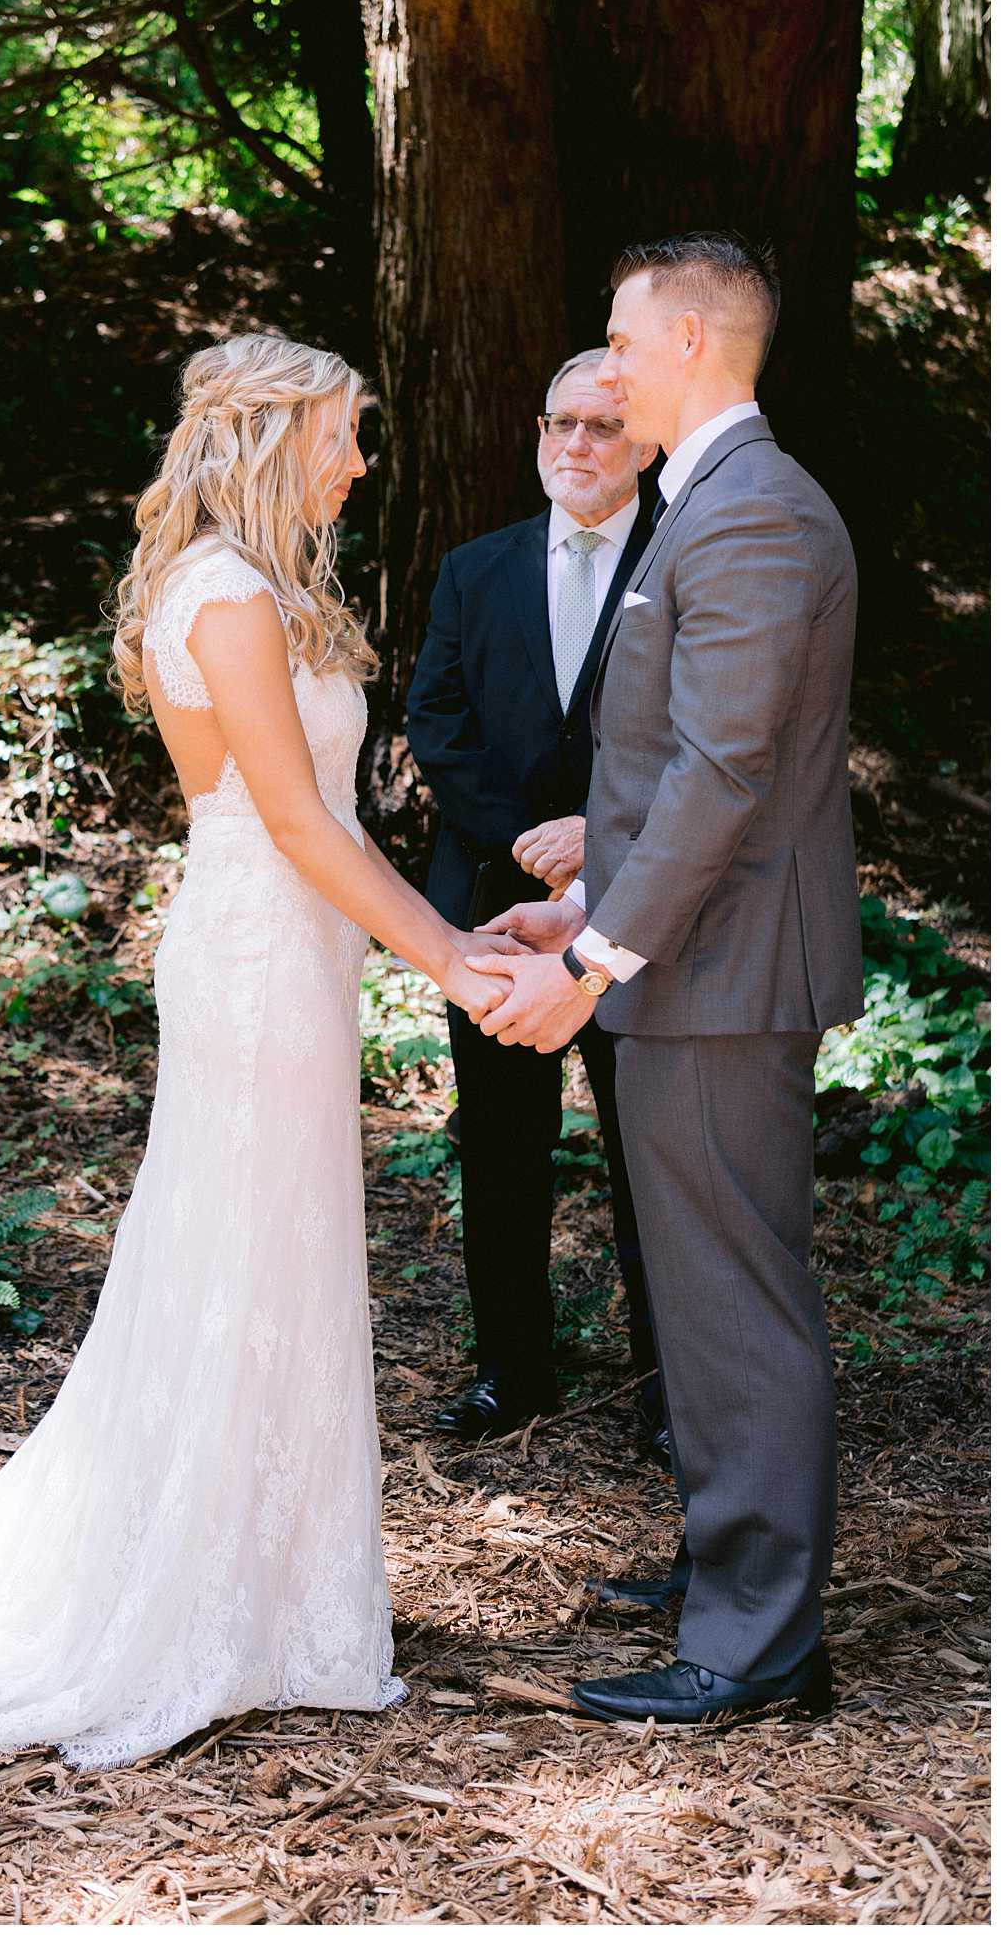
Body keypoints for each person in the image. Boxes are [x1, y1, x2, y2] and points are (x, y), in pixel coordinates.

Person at [0, 332, 509, 1769]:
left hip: (292, 947)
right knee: (239, 1252)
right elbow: (299, 825)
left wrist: (435, 940)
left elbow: (331, 834)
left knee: (281, 1255)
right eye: (344, 435)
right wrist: (451, 958)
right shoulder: (227, 595)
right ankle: (190, 1601)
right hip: (253, 950)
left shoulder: (268, 590)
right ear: (268, 436)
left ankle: (279, 1598)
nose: (361, 462)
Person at [467, 232, 861, 1724]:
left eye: (620, 343)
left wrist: (596, 958)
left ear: (692, 342)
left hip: (719, 977)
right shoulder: (713, 504)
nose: (605, 369)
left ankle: (757, 1646)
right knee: (702, 1299)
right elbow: (674, 777)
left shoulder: (753, 513)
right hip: (686, 961)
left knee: (737, 1301)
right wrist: (579, 892)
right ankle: (727, 1572)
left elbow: (727, 773)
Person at [407, 350, 668, 1459]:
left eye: (603, 426)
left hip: (643, 906)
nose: (576, 444)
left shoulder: (681, 560)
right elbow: (437, 721)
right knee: (502, 1146)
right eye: (559, 421)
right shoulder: (475, 569)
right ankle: (512, 1368)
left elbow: (706, 736)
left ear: (647, 441)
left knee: (648, 1148)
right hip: (494, 908)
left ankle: (669, 1384)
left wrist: (599, 839)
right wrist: (532, 842)